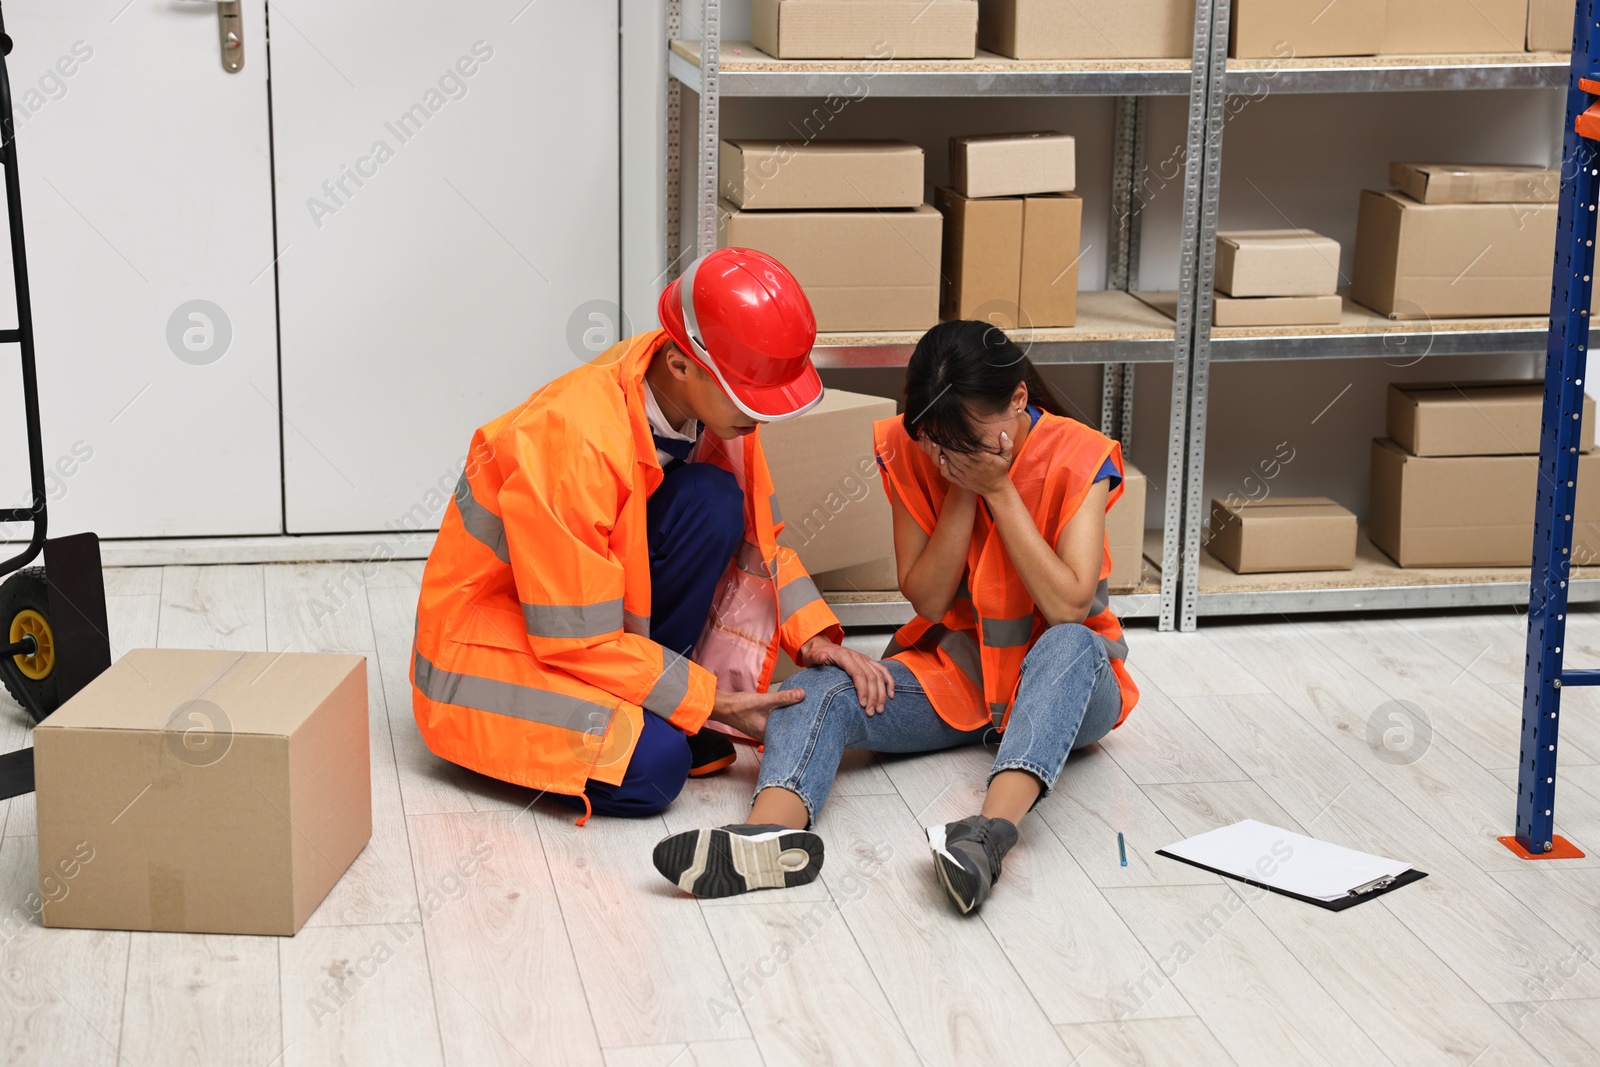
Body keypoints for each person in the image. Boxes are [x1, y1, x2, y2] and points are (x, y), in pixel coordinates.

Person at [652, 319, 1140, 912]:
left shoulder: (1079, 454)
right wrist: (965, 483)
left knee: (1071, 645)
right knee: (817, 690)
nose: (941, 456)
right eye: (936, 441)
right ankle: (766, 838)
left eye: (962, 439)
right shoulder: (917, 449)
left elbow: (1067, 606)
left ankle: (985, 837)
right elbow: (929, 600)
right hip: (957, 680)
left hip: (1072, 686)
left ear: (1018, 400)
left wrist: (1000, 491)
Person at [410, 248, 888, 821]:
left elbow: (762, 546)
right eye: (748, 402)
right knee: (657, 768)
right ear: (682, 364)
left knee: (713, 502)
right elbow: (572, 639)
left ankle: (655, 707)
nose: (758, 419)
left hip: (584, 619)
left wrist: (814, 640)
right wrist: (713, 701)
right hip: (494, 646)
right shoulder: (575, 443)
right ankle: (655, 719)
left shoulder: (714, 403)